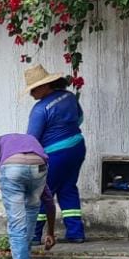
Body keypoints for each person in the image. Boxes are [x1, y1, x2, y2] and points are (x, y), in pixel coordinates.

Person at [24, 64, 86, 243]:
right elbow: (79, 119)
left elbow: (32, 140)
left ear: (45, 86)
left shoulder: (39, 109)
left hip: (55, 155)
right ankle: (76, 233)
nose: (31, 94)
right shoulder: (69, 97)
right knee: (68, 188)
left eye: (33, 89)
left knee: (42, 192)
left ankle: (34, 235)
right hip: (77, 148)